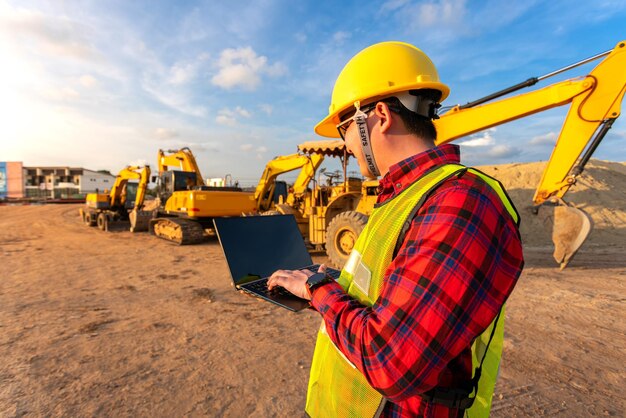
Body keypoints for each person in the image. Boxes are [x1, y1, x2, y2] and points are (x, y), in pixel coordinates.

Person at [268, 41, 524, 418]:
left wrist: (317, 290)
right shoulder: (404, 197)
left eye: (343, 130)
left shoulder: (458, 202)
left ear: (380, 116)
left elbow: (390, 361)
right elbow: (392, 288)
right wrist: (337, 285)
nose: (345, 145)